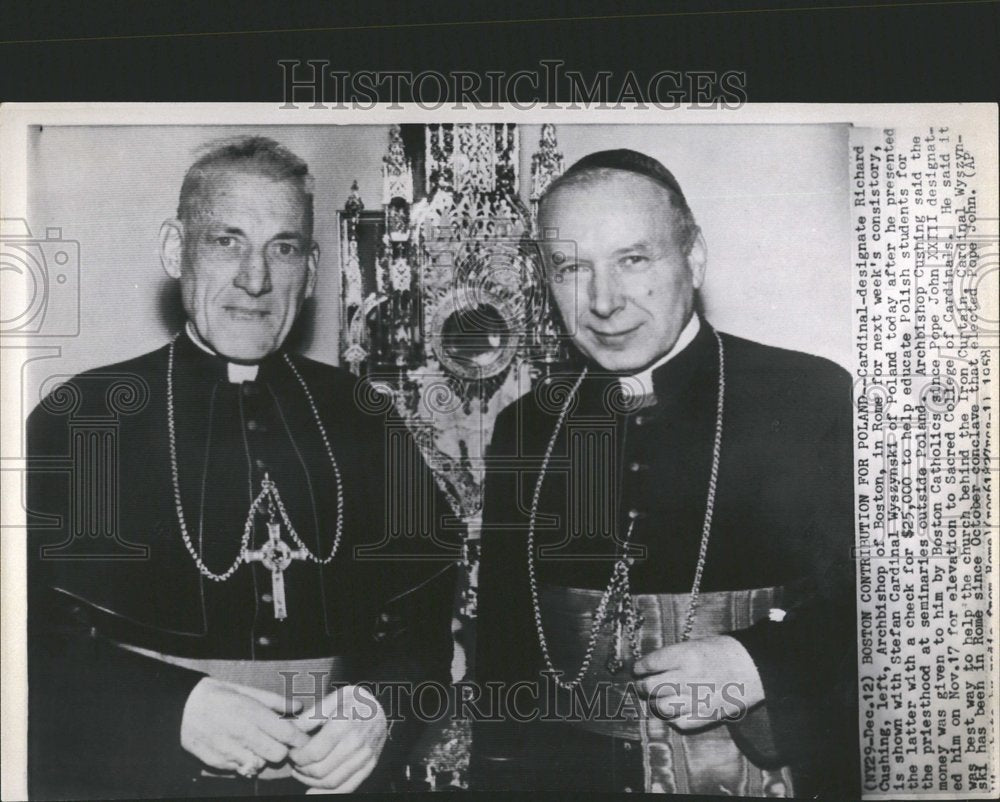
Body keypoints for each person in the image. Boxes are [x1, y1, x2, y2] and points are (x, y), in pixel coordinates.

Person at [27, 136, 458, 799]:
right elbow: (26, 640)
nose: (256, 279)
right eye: (226, 241)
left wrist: (379, 708)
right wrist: (169, 707)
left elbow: (425, 619)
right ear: (177, 249)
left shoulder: (361, 415)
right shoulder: (86, 417)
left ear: (311, 270)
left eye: (283, 248)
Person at [472, 149, 858, 797]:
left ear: (694, 258)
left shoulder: (807, 397)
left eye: (633, 259)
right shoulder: (527, 428)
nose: (603, 301)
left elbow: (893, 614)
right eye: (571, 268)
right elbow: (506, 662)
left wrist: (758, 662)